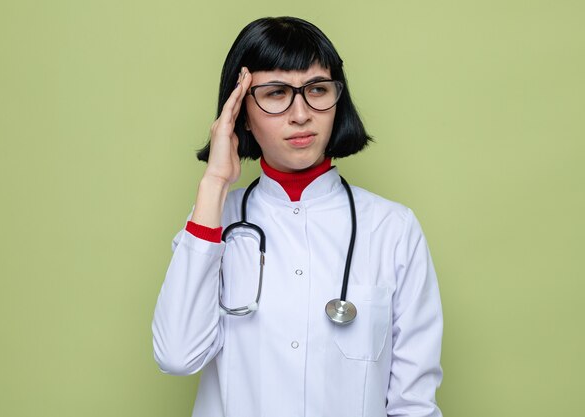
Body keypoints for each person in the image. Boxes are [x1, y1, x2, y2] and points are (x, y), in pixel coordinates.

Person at [152, 16, 443, 417]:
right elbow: (177, 356)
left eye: (317, 90)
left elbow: (413, 404)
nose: (301, 114)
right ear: (241, 113)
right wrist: (215, 183)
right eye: (276, 94)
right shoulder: (213, 223)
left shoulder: (392, 229)